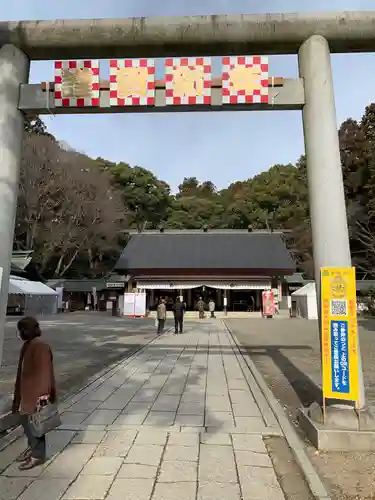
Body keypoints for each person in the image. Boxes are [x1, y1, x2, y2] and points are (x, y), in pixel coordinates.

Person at [12, 317, 57, 470]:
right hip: (27, 393)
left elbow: (45, 371)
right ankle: (33, 448)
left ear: (31, 330)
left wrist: (44, 395)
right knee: (26, 422)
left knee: (36, 424)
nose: (21, 333)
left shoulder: (40, 347)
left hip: (36, 394)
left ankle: (37, 456)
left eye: (23, 330)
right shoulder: (28, 345)